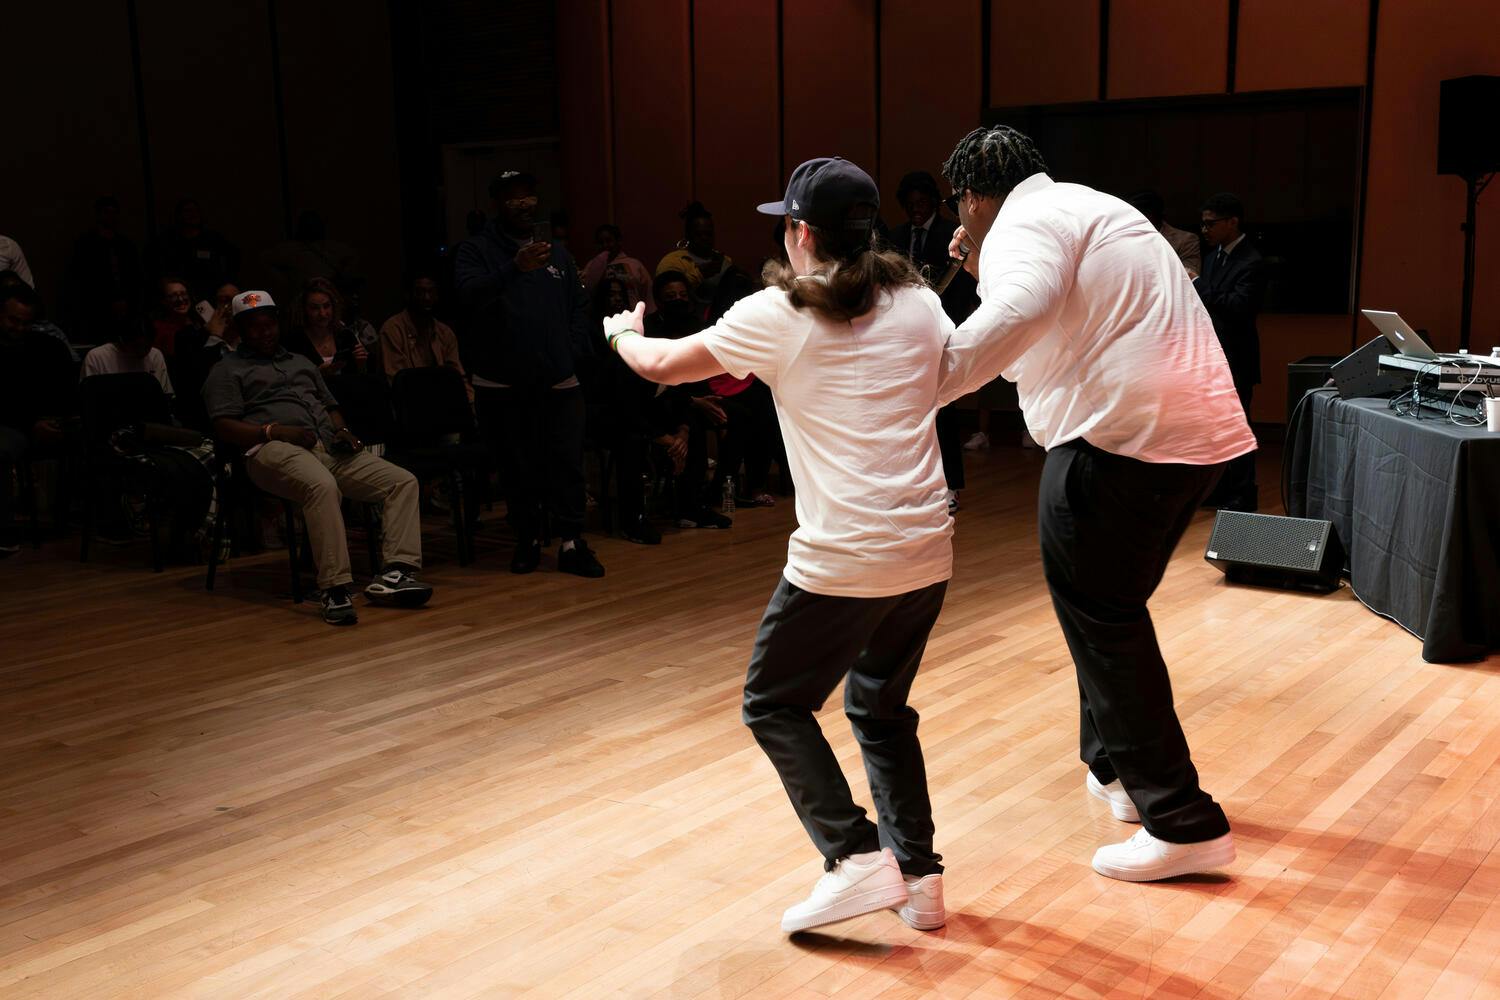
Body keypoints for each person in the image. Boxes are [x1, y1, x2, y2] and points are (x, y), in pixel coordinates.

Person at [605, 157, 953, 935]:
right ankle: (920, 878)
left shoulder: (779, 313)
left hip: (845, 556)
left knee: (773, 703)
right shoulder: (921, 304)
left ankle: (856, 857)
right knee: (880, 706)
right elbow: (949, 374)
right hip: (927, 549)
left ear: (800, 234)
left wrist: (623, 333)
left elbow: (662, 364)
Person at [937, 126, 1255, 882]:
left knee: (1103, 618)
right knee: (1108, 607)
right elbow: (1042, 328)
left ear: (975, 195)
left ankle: (1182, 821)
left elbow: (1013, 317)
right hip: (1193, 435)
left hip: (1118, 437)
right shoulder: (1087, 206)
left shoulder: (1023, 223)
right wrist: (984, 267)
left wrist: (920, 388)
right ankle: (1113, 768)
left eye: (960, 203)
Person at [203, 290, 432, 624]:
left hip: (325, 445)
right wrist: (272, 431)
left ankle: (396, 574)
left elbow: (330, 407)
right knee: (322, 486)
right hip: (268, 450)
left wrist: (341, 430)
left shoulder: (299, 362)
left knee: (401, 481)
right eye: (254, 327)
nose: (264, 332)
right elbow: (223, 426)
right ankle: (335, 588)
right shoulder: (226, 370)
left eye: (269, 324)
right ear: (240, 329)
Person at [454, 169, 603, 578]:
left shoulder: (555, 252)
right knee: (518, 467)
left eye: (528, 195)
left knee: (568, 464)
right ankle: (527, 540)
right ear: (498, 204)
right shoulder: (476, 250)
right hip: (502, 383)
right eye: (512, 197)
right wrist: (512, 269)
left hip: (558, 379)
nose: (523, 203)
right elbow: (467, 296)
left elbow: (577, 305)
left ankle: (573, 543)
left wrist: (570, 352)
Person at [890, 170, 981, 511]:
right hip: (902, 333)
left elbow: (968, 287)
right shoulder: (896, 237)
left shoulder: (950, 234)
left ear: (934, 202)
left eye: (923, 202)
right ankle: (912, 485)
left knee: (944, 407)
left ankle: (951, 486)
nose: (916, 209)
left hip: (945, 328)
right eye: (910, 204)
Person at [1195, 192, 1266, 513]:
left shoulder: (1252, 261)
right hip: (1212, 356)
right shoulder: (1214, 257)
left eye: (1211, 223)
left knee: (1238, 425)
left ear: (1233, 222)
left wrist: (1198, 286)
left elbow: (1238, 307)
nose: (1204, 229)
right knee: (1212, 426)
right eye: (1203, 223)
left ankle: (1242, 492)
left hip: (1236, 357)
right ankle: (1219, 488)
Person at [0, 284, 75, 555]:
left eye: (26, 323)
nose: (19, 328)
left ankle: (99, 518)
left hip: (50, 420)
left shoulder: (47, 346)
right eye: (12, 320)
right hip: (12, 424)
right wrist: (31, 423)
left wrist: (56, 420)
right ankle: (5, 531)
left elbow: (66, 391)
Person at [379, 273, 470, 401]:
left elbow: (458, 375)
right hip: (408, 404)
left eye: (431, 292)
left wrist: (470, 405)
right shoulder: (393, 329)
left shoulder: (444, 332)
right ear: (408, 295)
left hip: (442, 402)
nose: (426, 298)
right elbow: (397, 380)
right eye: (420, 292)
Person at [64, 196, 142, 339]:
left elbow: (134, 276)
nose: (111, 217)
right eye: (106, 212)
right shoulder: (86, 245)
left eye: (114, 213)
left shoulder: (126, 245)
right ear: (98, 214)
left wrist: (128, 300)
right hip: (96, 307)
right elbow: (83, 278)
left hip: (127, 306)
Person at [144, 199, 241, 301]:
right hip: (179, 295)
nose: (192, 214)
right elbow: (150, 260)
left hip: (208, 293)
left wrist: (227, 282)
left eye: (195, 211)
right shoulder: (167, 241)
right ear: (178, 215)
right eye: (187, 211)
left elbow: (234, 256)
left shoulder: (212, 239)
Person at [283, 277, 369, 376]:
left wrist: (361, 364)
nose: (322, 314)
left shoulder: (345, 336)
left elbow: (361, 378)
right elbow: (291, 381)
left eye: (326, 306)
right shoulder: (294, 342)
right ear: (304, 310)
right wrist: (319, 374)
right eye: (315, 308)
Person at [656, 202, 732, 311]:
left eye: (708, 234)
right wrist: (700, 274)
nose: (704, 238)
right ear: (688, 235)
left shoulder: (724, 260)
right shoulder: (672, 262)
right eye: (698, 234)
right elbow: (665, 292)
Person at [83, 318, 175, 397]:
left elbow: (164, 395)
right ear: (122, 340)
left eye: (147, 346)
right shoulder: (97, 357)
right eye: (137, 346)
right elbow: (88, 398)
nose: (143, 351)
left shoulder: (155, 355)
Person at [1126, 190, 1202, 278]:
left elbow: (1190, 276)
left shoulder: (1186, 240)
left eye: (1137, 215)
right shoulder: (1126, 237)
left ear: (1151, 215)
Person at [581, 224, 655, 312]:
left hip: (632, 317)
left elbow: (648, 294)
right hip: (601, 319)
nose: (605, 245)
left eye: (609, 241)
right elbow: (587, 293)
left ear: (618, 241)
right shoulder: (591, 266)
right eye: (601, 242)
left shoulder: (634, 265)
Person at [149, 275, 202, 357]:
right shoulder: (158, 329)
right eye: (173, 296)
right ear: (164, 301)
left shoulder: (198, 321)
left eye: (183, 294)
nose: (180, 299)